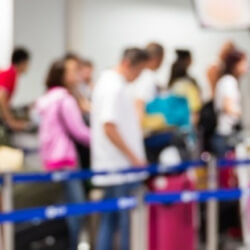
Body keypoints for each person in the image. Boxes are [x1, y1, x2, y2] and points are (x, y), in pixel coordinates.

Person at [91, 48, 149, 250]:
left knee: (110, 221)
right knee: (125, 225)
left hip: (117, 166)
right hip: (119, 167)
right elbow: (109, 126)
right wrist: (134, 158)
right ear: (127, 64)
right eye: (139, 70)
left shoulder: (112, 85)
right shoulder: (112, 87)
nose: (139, 76)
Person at [35, 59, 90, 250]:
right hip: (66, 160)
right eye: (73, 72)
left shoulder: (47, 98)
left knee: (60, 209)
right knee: (77, 210)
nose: (77, 76)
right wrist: (100, 140)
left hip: (50, 160)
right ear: (63, 76)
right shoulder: (65, 100)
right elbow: (79, 131)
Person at [213, 49, 248, 157]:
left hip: (227, 134)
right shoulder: (229, 81)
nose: (246, 65)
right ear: (235, 64)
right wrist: (243, 114)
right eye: (243, 62)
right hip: (226, 135)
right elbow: (227, 107)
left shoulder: (229, 80)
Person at [128, 43, 164, 122]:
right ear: (157, 59)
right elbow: (140, 102)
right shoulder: (147, 76)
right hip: (142, 127)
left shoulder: (137, 74)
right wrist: (138, 131)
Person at [168, 49, 202, 126]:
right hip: (186, 125)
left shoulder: (172, 83)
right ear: (188, 61)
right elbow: (195, 108)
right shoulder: (190, 84)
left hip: (173, 124)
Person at [0, 47, 30, 131]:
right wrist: (11, 122)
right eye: (27, 63)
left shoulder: (9, 73)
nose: (28, 66)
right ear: (22, 63)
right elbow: (1, 97)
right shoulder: (10, 74)